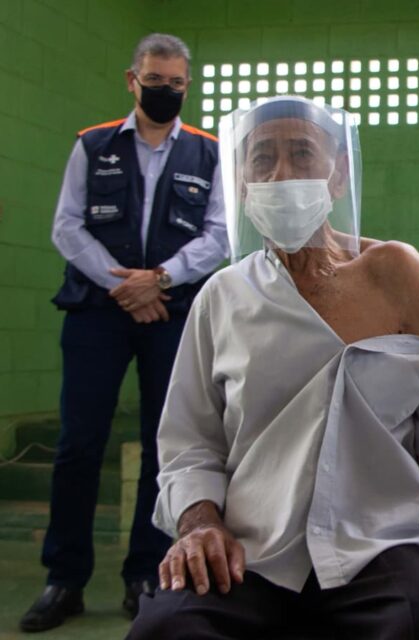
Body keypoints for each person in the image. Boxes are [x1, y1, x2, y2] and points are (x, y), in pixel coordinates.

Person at [126, 96, 419, 640]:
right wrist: (200, 523)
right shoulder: (223, 295)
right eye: (261, 158)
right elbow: (189, 442)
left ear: (338, 174)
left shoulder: (396, 272)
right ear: (241, 180)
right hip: (250, 547)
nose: (281, 174)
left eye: (303, 153)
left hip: (376, 544)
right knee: (165, 630)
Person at [19, 33, 228, 633]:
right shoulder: (92, 144)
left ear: (188, 85)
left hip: (170, 314)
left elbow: (219, 235)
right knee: (78, 444)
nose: (165, 92)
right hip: (96, 312)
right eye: (154, 81)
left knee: (166, 448)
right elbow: (67, 227)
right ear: (132, 80)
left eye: (176, 84)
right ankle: (64, 578)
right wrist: (124, 287)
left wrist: (158, 280)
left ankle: (146, 573)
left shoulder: (208, 153)